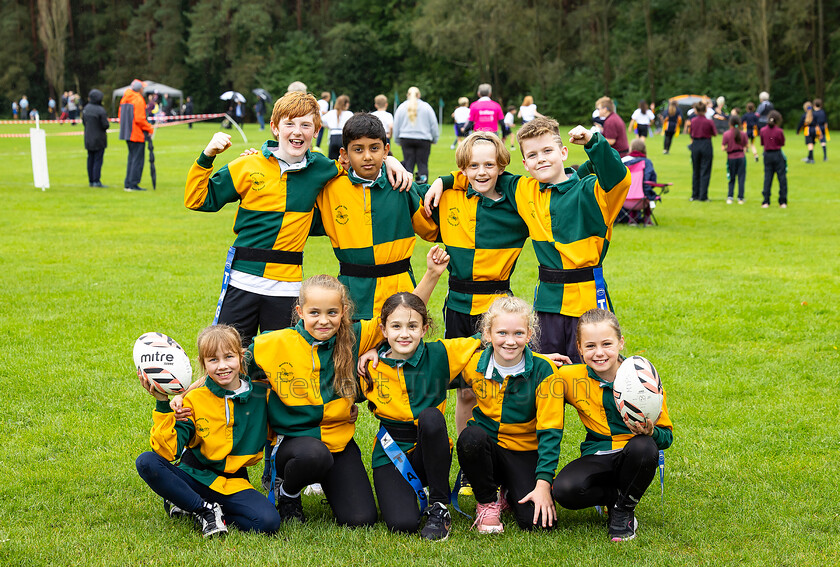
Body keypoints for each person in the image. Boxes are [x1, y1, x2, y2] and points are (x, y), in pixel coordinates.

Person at [184, 90, 411, 348]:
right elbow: (197, 200)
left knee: (282, 364)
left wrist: (392, 161)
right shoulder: (247, 166)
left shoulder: (323, 168)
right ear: (274, 127)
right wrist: (208, 155)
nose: (297, 131)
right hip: (242, 279)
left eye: (306, 125)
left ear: (316, 131)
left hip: (287, 287)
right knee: (229, 353)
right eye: (289, 124)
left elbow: (358, 163)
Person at [246, 247, 450, 526]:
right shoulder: (273, 343)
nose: (323, 320)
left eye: (332, 312)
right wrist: (186, 395)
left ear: (343, 312)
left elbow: (401, 318)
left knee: (360, 518)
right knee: (313, 454)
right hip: (296, 445)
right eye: (314, 312)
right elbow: (227, 368)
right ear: (299, 311)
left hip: (338, 442)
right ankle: (288, 491)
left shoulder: (353, 337)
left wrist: (431, 274)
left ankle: (329, 482)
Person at [425, 117, 631, 363]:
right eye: (532, 155)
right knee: (546, 374)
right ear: (525, 163)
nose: (541, 158)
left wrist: (593, 141)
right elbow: (484, 172)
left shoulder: (593, 191)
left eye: (547, 151)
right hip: (547, 303)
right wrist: (444, 180)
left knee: (594, 370)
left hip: (588, 298)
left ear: (563, 152)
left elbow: (619, 177)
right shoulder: (524, 189)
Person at [423, 132, 530, 478]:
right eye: (473, 166)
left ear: (501, 166)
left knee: (497, 390)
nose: (481, 172)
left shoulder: (516, 201)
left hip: (497, 310)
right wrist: (443, 179)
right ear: (463, 169)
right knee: (466, 391)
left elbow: (530, 182)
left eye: (489, 165)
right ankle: (470, 465)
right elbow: (408, 190)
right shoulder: (451, 196)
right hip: (456, 307)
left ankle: (498, 460)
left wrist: (446, 176)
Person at [135, 324, 281, 538]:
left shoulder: (262, 396)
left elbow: (285, 425)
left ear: (241, 357)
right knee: (147, 462)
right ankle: (204, 509)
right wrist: (162, 404)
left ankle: (189, 505)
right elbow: (168, 452)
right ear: (203, 364)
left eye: (229, 357)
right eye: (213, 360)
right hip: (194, 475)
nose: (222, 366)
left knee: (268, 522)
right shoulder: (193, 399)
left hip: (234, 482)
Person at [358, 291, 481, 540]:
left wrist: (542, 359)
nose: (404, 334)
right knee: (402, 524)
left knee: (431, 417)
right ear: (383, 330)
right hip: (390, 450)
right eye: (396, 326)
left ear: (424, 329)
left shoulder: (440, 353)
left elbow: (488, 341)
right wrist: (372, 349)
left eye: (412, 326)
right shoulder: (369, 366)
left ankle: (439, 505)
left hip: (431, 448)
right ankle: (407, 493)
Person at [552, 308, 673, 542]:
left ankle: (624, 510)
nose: (599, 353)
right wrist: (543, 359)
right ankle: (614, 496)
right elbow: (533, 371)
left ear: (621, 343)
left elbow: (666, 438)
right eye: (590, 346)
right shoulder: (569, 377)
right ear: (578, 348)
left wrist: (651, 432)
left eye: (607, 344)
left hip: (633, 455)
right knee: (564, 490)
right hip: (597, 454)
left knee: (645, 446)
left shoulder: (644, 380)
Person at [312, 112, 438, 321]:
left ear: (385, 150)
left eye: (375, 148)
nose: (367, 156)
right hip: (352, 294)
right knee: (351, 351)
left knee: (400, 351)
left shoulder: (401, 185)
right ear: (344, 154)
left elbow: (434, 221)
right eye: (358, 150)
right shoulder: (330, 189)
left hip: (399, 291)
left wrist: (444, 181)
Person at [454, 296, 565, 533]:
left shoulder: (545, 371)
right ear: (487, 334)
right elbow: (432, 361)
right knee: (470, 438)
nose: (510, 341)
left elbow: (550, 431)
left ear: (529, 334)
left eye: (518, 334)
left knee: (537, 525)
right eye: (502, 333)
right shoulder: (473, 363)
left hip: (523, 450)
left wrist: (544, 484)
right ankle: (487, 501)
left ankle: (509, 492)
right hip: (488, 448)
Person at [392, 86, 439, 184]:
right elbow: (434, 124)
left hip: (406, 139)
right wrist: (434, 139)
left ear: (407, 95)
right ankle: (422, 188)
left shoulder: (401, 107)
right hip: (423, 140)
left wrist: (397, 140)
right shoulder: (427, 107)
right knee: (422, 165)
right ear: (419, 95)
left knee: (408, 165)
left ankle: (407, 187)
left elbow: (396, 125)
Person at [118, 79, 154, 192]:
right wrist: (150, 128)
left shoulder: (124, 99)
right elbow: (139, 119)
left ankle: (128, 183)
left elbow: (120, 116)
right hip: (137, 134)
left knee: (131, 158)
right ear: (139, 89)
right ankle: (133, 184)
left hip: (127, 133)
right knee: (137, 160)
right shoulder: (138, 99)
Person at [619, 139, 661, 224]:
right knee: (646, 190)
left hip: (623, 200)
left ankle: (632, 219)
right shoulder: (646, 162)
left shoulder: (623, 161)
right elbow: (652, 181)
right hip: (642, 200)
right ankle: (647, 219)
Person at [686, 101, 716, 202]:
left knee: (696, 170)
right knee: (705, 170)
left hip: (695, 144)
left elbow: (691, 133)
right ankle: (703, 195)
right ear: (705, 110)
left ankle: (695, 194)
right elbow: (714, 133)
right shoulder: (709, 121)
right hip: (706, 144)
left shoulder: (693, 121)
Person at [82, 89, 110, 188]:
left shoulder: (86, 108)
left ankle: (91, 180)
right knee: (98, 160)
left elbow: (83, 122)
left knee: (90, 159)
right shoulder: (100, 110)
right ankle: (96, 180)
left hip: (88, 137)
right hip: (99, 138)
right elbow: (105, 125)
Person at [759, 110, 787, 208]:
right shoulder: (779, 131)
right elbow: (782, 143)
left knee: (768, 178)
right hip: (777, 154)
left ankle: (766, 200)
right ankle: (782, 201)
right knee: (782, 178)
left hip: (767, 155)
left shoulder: (762, 130)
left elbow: (762, 143)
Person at [721, 115, 747, 204]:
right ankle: (740, 197)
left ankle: (730, 196)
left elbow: (723, 147)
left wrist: (728, 148)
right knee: (741, 178)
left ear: (730, 123)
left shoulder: (726, 134)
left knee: (731, 178)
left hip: (731, 157)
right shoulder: (743, 134)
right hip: (741, 157)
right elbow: (746, 146)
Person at [322, 94, 352, 160]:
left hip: (333, 136)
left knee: (333, 160)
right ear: (346, 104)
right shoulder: (349, 114)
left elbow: (321, 121)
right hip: (343, 136)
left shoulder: (331, 113)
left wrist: (329, 126)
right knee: (345, 159)